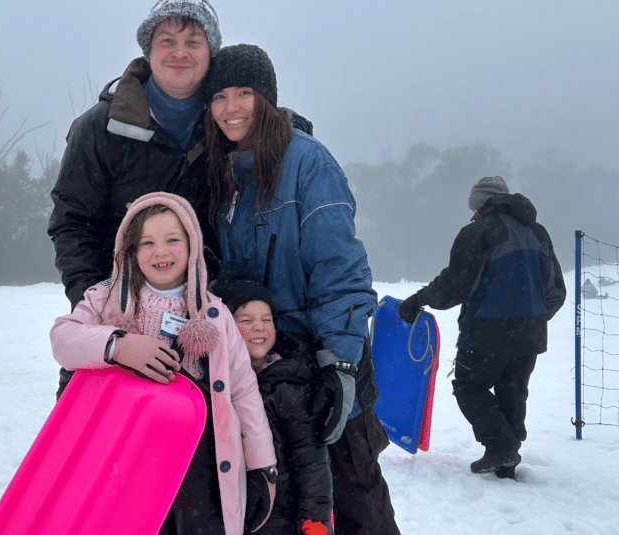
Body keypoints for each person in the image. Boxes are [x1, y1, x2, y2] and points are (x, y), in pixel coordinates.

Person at [203, 44, 400, 535]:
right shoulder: (224, 174)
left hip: (326, 360)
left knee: (356, 499)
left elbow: (339, 267)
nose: (232, 108)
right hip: (270, 371)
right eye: (220, 96)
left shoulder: (307, 162)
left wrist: (341, 362)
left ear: (266, 98)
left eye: (244, 93)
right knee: (293, 509)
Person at [50, 192, 277, 535]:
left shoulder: (215, 314)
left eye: (173, 240)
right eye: (147, 242)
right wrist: (119, 345)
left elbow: (243, 392)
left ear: (192, 245)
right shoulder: (103, 299)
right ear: (131, 250)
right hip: (123, 459)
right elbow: (63, 339)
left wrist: (262, 464)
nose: (161, 252)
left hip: (198, 465)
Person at [47, 0, 222, 399]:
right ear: (148, 49)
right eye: (167, 40)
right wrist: (108, 317)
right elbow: (71, 225)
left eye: (193, 41)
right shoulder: (100, 128)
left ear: (211, 52)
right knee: (102, 452)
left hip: (205, 328)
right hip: (115, 328)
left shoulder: (229, 126)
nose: (179, 52)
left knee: (203, 453)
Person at [398, 176, 566, 480]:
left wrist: (418, 299)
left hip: (487, 332)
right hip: (530, 334)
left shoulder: (479, 231)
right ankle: (506, 462)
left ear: (478, 204)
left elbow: (454, 286)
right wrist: (532, 319)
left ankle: (501, 446)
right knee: (512, 391)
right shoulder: (537, 231)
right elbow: (556, 291)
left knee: (469, 386)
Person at [210, 261, 333, 535]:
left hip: (281, 513)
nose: (259, 327)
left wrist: (315, 518)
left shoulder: (288, 383)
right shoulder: (217, 384)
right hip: (235, 509)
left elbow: (311, 458)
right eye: (246, 320)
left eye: (266, 319)